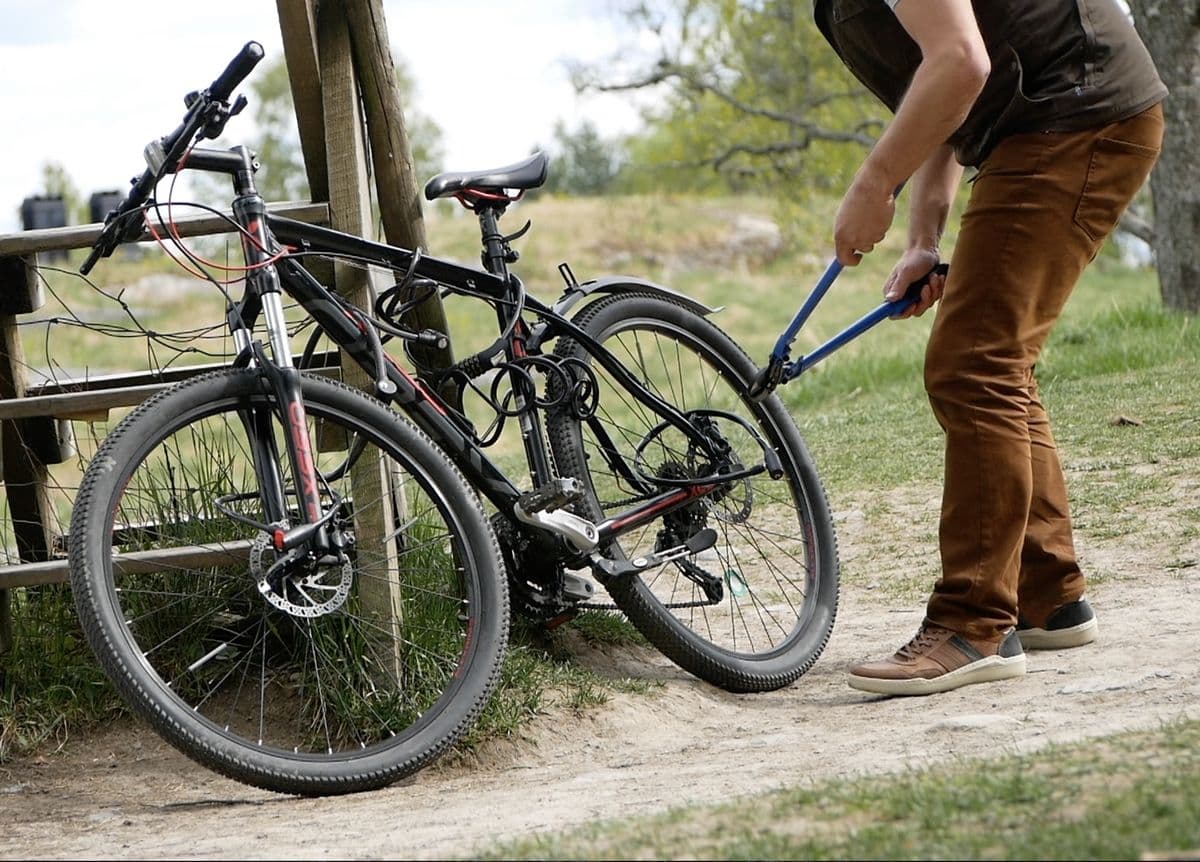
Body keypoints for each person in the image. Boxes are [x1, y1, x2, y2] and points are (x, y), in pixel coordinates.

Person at [811, 0, 1167, 696]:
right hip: (1048, 121)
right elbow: (939, 90)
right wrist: (923, 241)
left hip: (1076, 113)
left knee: (976, 365)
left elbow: (960, 63)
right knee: (993, 360)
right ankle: (1047, 594)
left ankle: (973, 626)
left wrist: (875, 183)